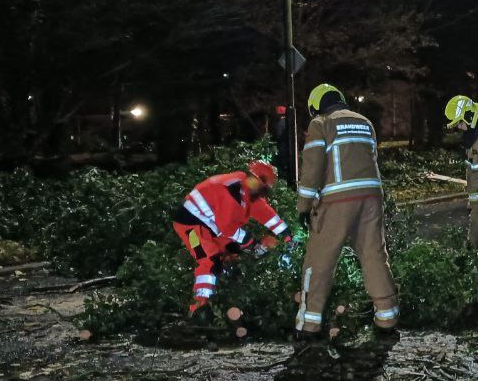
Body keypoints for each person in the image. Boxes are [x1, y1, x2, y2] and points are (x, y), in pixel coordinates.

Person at [294, 83, 399, 340]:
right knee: (374, 256)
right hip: (372, 198)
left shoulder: (321, 123)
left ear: (316, 105)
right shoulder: (365, 122)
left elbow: (312, 168)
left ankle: (309, 326)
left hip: (337, 201)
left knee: (318, 262)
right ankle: (387, 319)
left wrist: (304, 207)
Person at [171, 160, 291, 318]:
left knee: (232, 254)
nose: (262, 193)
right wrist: (251, 242)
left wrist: (286, 234)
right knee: (209, 259)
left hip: (210, 226)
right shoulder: (231, 191)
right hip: (190, 227)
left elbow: (265, 213)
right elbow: (227, 228)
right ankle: (199, 307)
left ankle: (224, 298)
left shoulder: (246, 192)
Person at [444, 94, 478, 248]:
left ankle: (477, 251)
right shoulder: (472, 136)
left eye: (459, 123)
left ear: (469, 115)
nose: (459, 127)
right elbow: (473, 169)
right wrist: (472, 196)